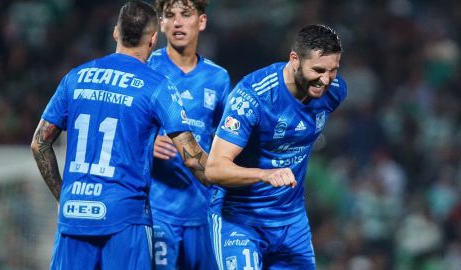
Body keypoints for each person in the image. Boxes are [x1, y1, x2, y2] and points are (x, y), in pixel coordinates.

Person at [30, 1, 209, 269]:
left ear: (116, 32)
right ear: (153, 39)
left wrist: (63, 195)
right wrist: (236, 181)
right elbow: (193, 159)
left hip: (74, 215)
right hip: (126, 221)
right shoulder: (157, 86)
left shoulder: (76, 77)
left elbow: (39, 143)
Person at [205, 24, 347, 269]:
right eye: (318, 69)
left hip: (291, 223)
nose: (325, 79)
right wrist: (264, 174)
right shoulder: (252, 97)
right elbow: (215, 168)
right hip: (240, 221)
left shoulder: (334, 92)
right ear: (294, 59)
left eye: (333, 70)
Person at [147, 0, 231, 269]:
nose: (177, 22)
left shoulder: (218, 78)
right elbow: (125, 127)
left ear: (202, 21)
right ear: (161, 24)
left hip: (203, 210)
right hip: (158, 209)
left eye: (186, 14)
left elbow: (226, 142)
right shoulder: (148, 68)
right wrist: (147, 143)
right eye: (169, 15)